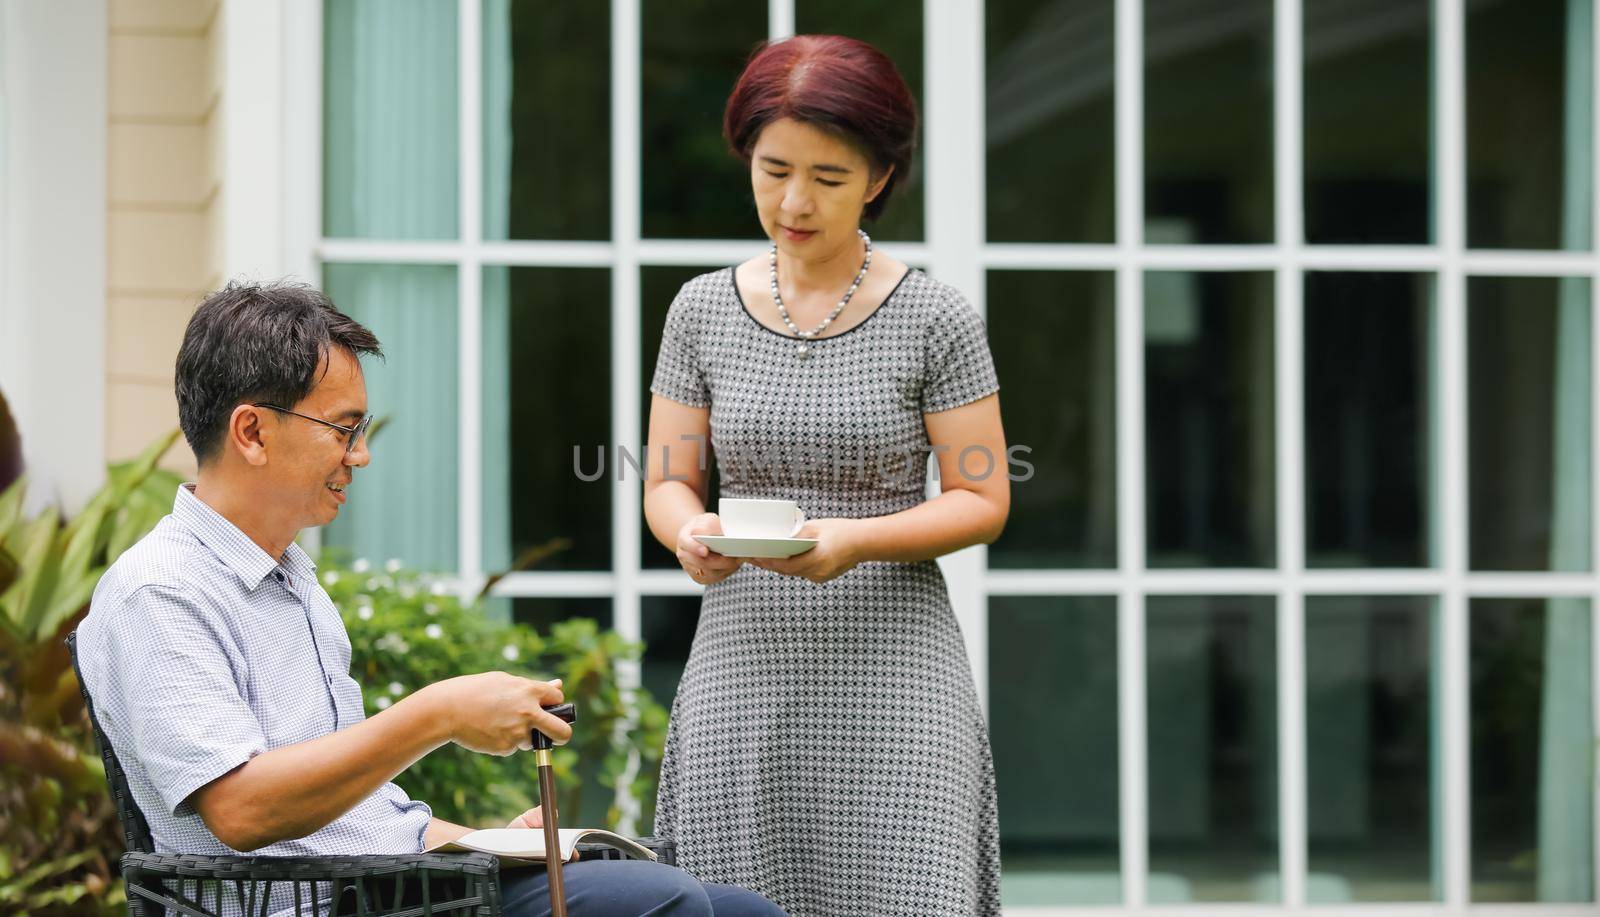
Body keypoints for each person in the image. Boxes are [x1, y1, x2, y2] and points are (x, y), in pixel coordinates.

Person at [75, 281, 784, 917]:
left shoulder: (293, 582)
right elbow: (242, 806)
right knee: (661, 901)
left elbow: (356, 822)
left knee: (745, 911)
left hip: (394, 884)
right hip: (324, 903)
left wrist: (484, 843)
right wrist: (440, 712)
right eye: (344, 428)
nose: (361, 454)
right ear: (253, 431)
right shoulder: (159, 590)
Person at [642, 35, 1009, 917]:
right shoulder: (698, 310)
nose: (794, 202)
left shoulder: (936, 318)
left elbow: (985, 498)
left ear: (879, 177)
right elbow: (665, 479)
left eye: (829, 179)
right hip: (745, 670)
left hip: (895, 676)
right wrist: (685, 530)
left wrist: (855, 541)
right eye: (773, 170)